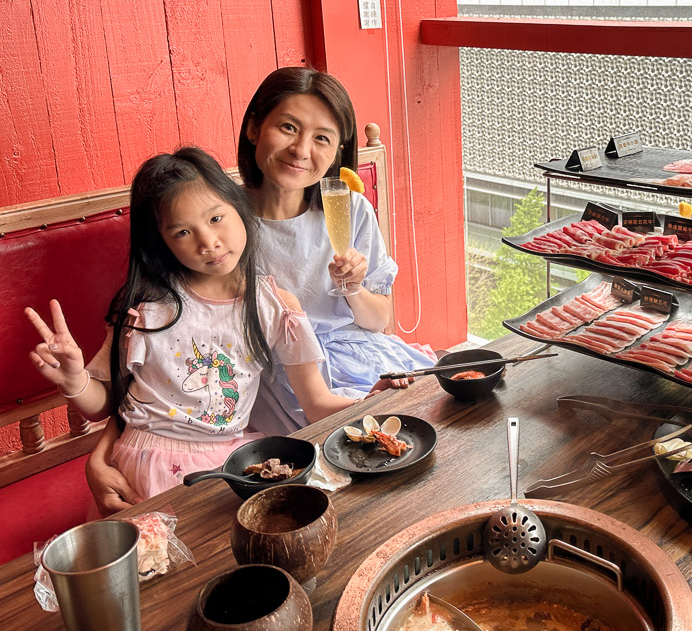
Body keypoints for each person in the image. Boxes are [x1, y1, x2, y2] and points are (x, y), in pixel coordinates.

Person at [26, 148, 362, 503]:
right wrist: (76, 381)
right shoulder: (148, 310)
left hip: (229, 457)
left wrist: (370, 398)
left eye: (216, 218)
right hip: (152, 460)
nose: (208, 243)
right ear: (163, 243)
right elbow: (106, 405)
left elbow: (316, 403)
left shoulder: (276, 306)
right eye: (183, 232)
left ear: (239, 206)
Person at [238, 67, 431, 434]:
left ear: (338, 151)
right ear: (253, 129)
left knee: (430, 423)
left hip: (361, 354)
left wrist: (354, 288)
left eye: (322, 138)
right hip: (288, 379)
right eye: (288, 128)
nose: (301, 150)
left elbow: (377, 321)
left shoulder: (349, 208)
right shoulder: (224, 223)